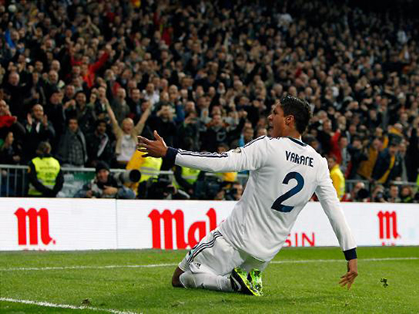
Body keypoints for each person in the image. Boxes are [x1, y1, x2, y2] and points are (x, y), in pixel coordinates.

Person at [137, 95, 357, 296]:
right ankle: (248, 277)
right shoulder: (318, 163)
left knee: (179, 278)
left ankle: (230, 284)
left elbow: (220, 162)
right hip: (264, 254)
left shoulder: (267, 147)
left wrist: (170, 153)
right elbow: (335, 212)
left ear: (289, 119)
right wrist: (351, 256)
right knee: (220, 274)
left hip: (233, 240)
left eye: (275, 113)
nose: (270, 117)